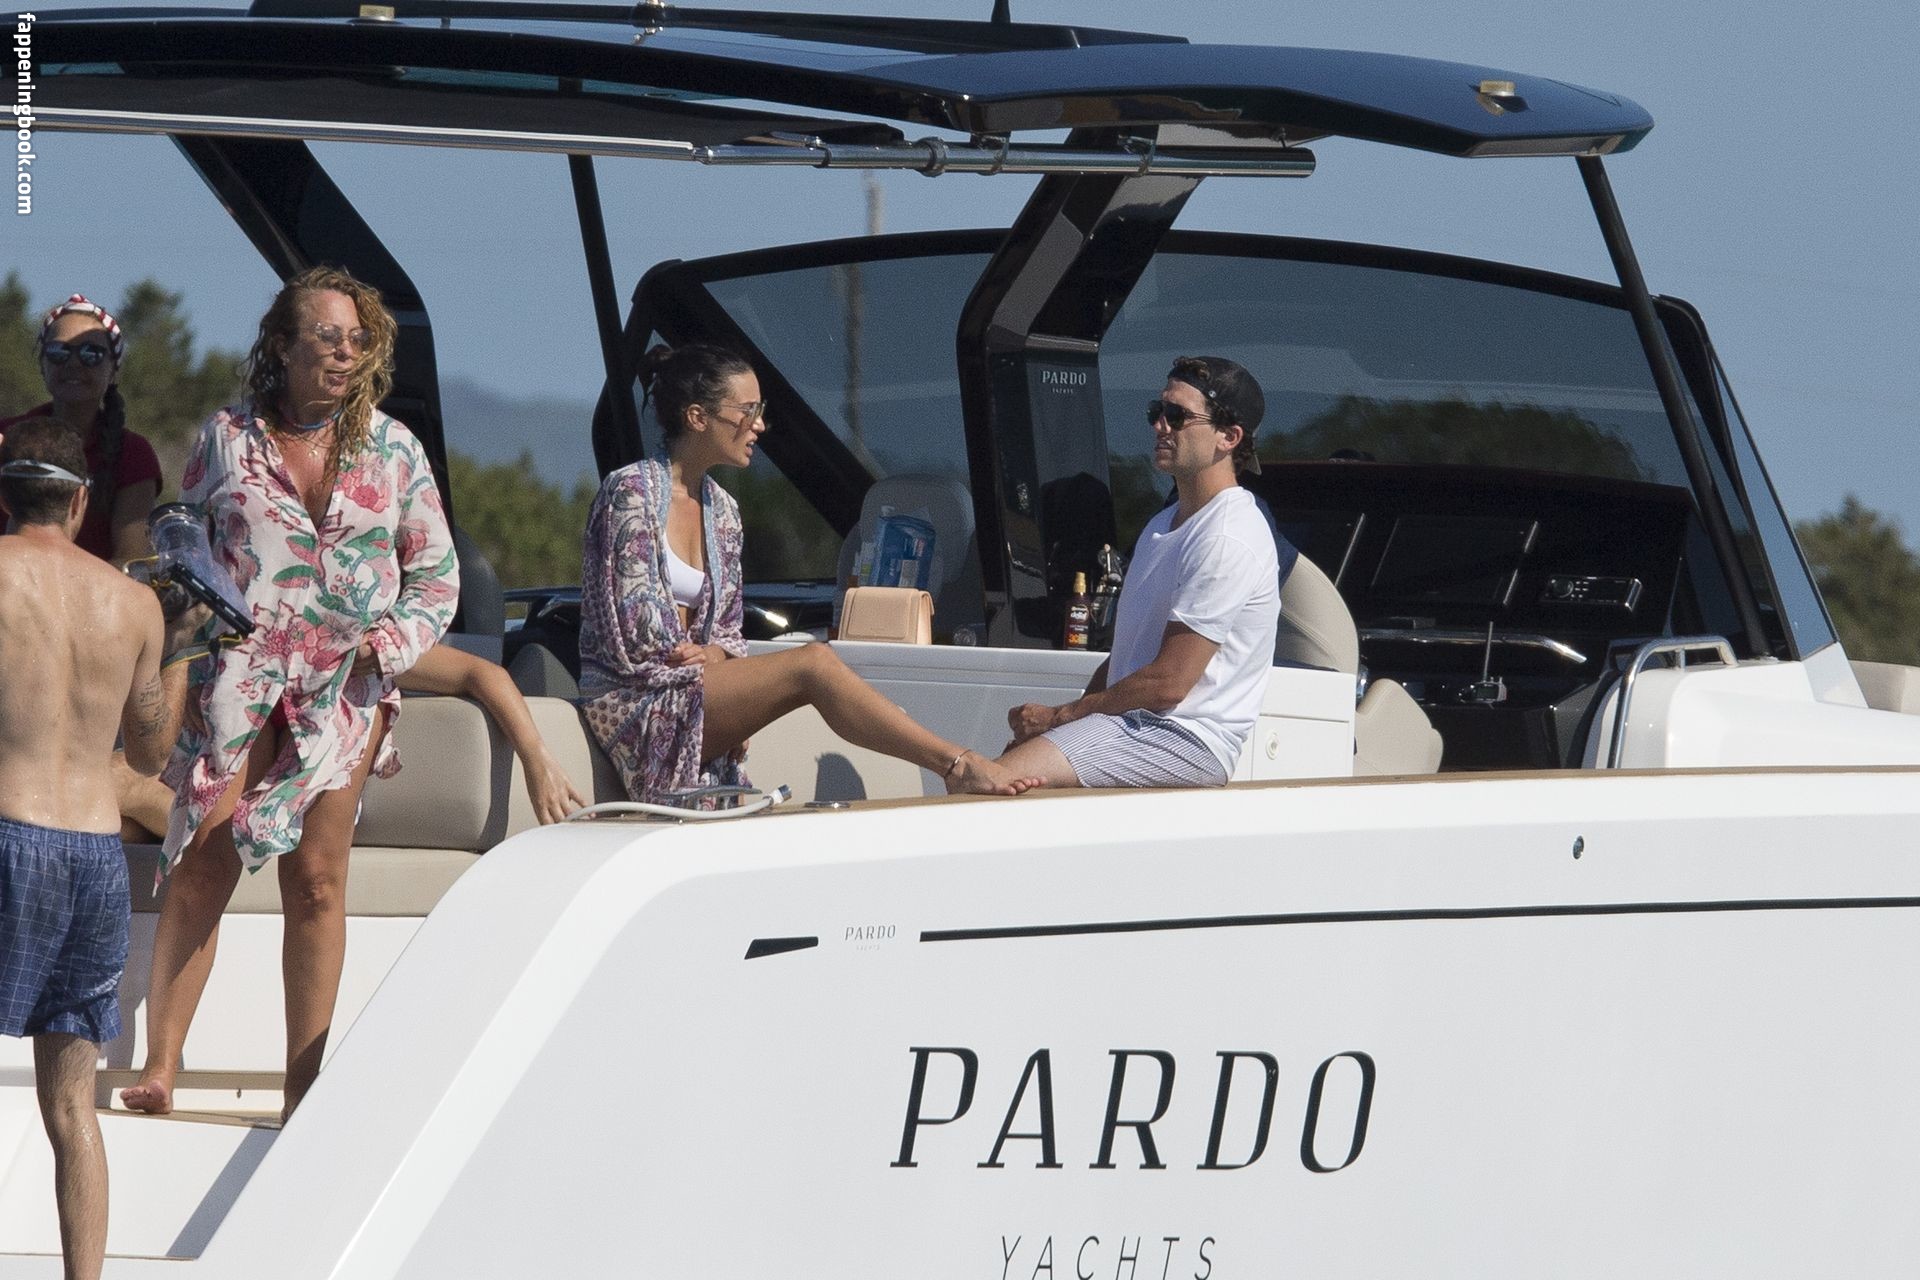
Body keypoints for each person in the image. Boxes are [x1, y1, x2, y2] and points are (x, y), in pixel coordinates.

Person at [120, 266, 460, 1120]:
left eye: (357, 340)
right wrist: (180, 658)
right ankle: (161, 1065)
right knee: (205, 860)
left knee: (317, 879)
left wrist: (384, 649)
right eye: (327, 337)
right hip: (240, 675)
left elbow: (437, 577)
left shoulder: (394, 449)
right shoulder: (226, 438)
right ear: (282, 344)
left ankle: (302, 1084)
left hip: (345, 686)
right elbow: (184, 556)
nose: (345, 354)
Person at [579, 343, 1037, 802]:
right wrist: (710, 665)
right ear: (697, 417)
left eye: (761, 410)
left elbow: (728, 632)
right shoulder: (630, 493)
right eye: (747, 411)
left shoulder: (724, 511)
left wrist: (717, 657)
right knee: (813, 664)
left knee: (815, 664)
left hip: (695, 691)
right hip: (635, 702)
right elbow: (635, 633)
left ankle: (956, 765)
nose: (759, 425)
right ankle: (957, 765)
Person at [0, 419, 195, 1280]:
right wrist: (182, 648)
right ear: (82, 501)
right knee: (73, 1108)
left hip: (5, 834)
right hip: (90, 857)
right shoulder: (134, 604)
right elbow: (150, 754)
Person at [995, 356, 1281, 788]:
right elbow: (1126, 660)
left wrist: (1060, 717)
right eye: (1156, 411)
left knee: (992, 781)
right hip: (1134, 726)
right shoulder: (1161, 526)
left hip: (1184, 738)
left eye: (1177, 415)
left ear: (1229, 436)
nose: (1160, 426)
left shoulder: (1228, 534)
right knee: (990, 777)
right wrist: (1066, 721)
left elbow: (1169, 682)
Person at [0, 294, 163, 565]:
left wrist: (69, 587)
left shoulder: (133, 455)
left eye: (91, 354)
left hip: (94, 591)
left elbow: (131, 559)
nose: (73, 363)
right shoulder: (7, 436)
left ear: (113, 369)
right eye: (59, 351)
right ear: (42, 363)